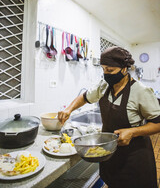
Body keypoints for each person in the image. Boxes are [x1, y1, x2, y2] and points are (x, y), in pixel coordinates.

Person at [58, 46, 160, 188]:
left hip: (134, 155)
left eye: (110, 70)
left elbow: (157, 123)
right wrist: (69, 109)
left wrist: (132, 132)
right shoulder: (104, 85)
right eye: (104, 69)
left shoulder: (141, 91)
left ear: (124, 69)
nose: (106, 74)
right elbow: (85, 97)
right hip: (109, 154)